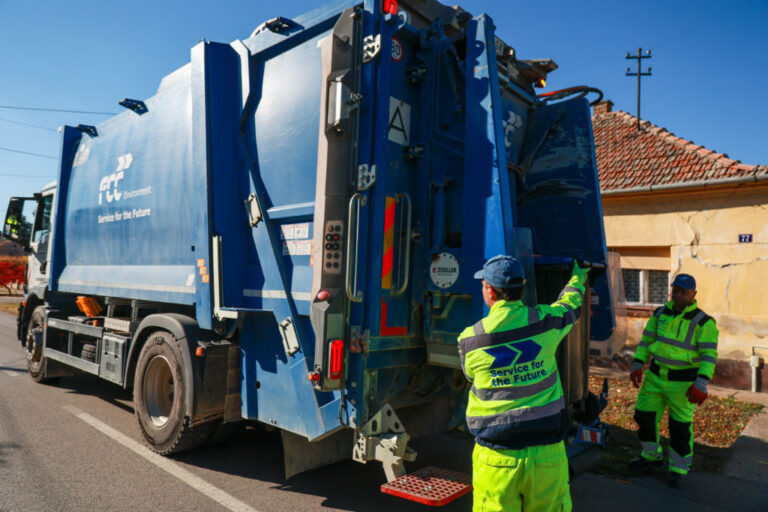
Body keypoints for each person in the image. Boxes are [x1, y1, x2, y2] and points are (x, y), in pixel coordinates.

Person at [458, 255, 590, 512]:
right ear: (522, 287)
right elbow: (571, 304)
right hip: (547, 456)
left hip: (496, 459)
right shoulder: (546, 322)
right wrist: (578, 277)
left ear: (490, 290)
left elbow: (471, 375)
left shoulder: (470, 340)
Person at [628, 273, 719, 488]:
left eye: (683, 292)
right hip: (654, 377)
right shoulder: (660, 313)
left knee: (679, 427)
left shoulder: (704, 322)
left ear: (694, 294)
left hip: (682, 384)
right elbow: (647, 340)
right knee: (644, 417)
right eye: (675, 290)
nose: (678, 295)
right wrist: (637, 363)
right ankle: (651, 456)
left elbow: (709, 356)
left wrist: (701, 383)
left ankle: (678, 469)